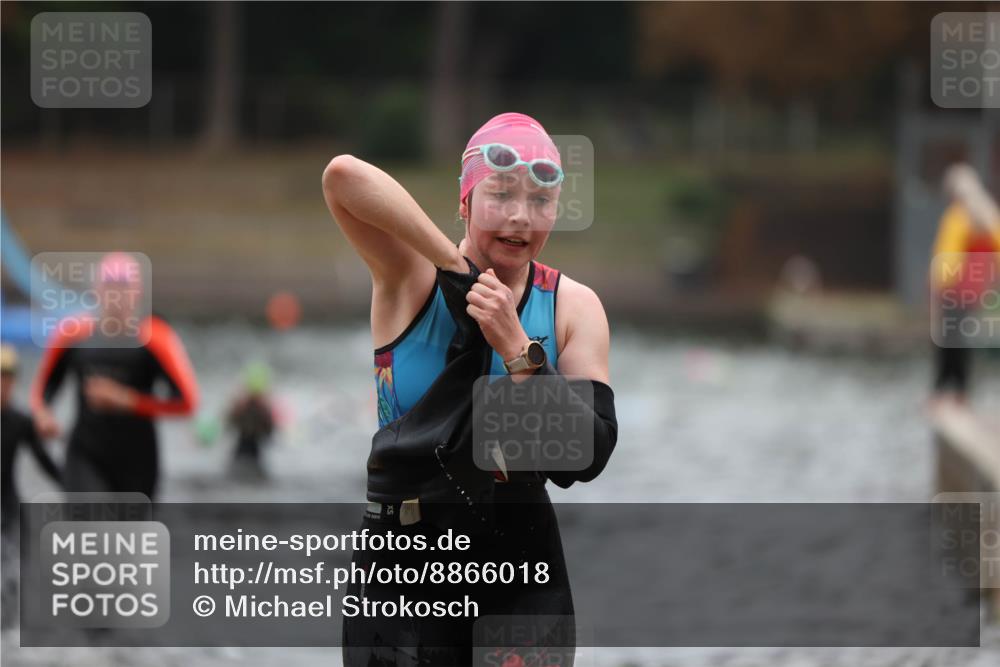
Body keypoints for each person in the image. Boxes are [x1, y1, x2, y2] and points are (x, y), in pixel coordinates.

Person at [323, 113, 617, 665]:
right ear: (464, 201)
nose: (519, 218)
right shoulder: (410, 278)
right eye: (500, 195)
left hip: (520, 574)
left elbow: (587, 456)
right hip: (402, 569)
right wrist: (455, 268)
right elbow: (342, 177)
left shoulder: (572, 308)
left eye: (539, 202)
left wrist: (517, 348)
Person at [30, 252, 199, 500]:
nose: (116, 297)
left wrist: (128, 400)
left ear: (137, 293)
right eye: (110, 287)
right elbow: (42, 390)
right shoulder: (73, 334)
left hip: (137, 460)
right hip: (86, 453)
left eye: (124, 288)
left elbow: (187, 403)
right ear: (96, 291)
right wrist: (43, 415)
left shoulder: (156, 338)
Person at [1, 343, 61, 628]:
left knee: (16, 575)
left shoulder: (20, 421)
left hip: (10, 506)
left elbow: (45, 462)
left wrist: (75, 483)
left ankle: (11, 630)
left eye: (7, 377)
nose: (2, 384)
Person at [930, 164, 1000, 402]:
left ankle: (941, 390)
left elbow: (948, 255)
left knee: (946, 337)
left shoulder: (957, 217)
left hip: (955, 286)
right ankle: (961, 390)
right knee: (962, 336)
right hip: (976, 286)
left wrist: (939, 286)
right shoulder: (989, 214)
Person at [226, 361, 276, 481]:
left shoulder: (265, 408)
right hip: (243, 449)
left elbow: (270, 431)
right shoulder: (240, 405)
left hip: (254, 451)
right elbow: (229, 423)